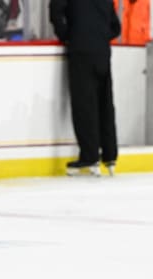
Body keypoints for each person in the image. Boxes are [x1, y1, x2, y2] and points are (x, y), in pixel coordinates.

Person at [49, 0, 121, 176]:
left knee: (84, 104)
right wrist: (101, 35)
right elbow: (116, 27)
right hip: (102, 51)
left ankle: (89, 156)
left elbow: (55, 12)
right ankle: (110, 154)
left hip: (81, 49)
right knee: (105, 103)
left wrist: (67, 35)